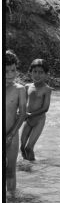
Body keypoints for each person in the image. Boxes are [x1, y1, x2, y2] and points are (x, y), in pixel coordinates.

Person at [20, 59, 52, 161]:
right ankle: (26, 165)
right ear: (30, 72)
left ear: (46, 74)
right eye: (35, 72)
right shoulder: (27, 86)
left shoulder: (47, 89)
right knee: (22, 147)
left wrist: (29, 114)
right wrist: (21, 113)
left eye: (41, 72)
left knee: (29, 148)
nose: (37, 75)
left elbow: (45, 108)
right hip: (28, 120)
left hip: (39, 121)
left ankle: (32, 167)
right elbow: (23, 104)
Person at [5, 50, 27, 194]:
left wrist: (11, 134)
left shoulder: (20, 89)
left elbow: (22, 114)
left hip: (11, 136)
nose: (10, 74)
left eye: (13, 70)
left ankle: (12, 201)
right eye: (5, 71)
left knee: (10, 171)